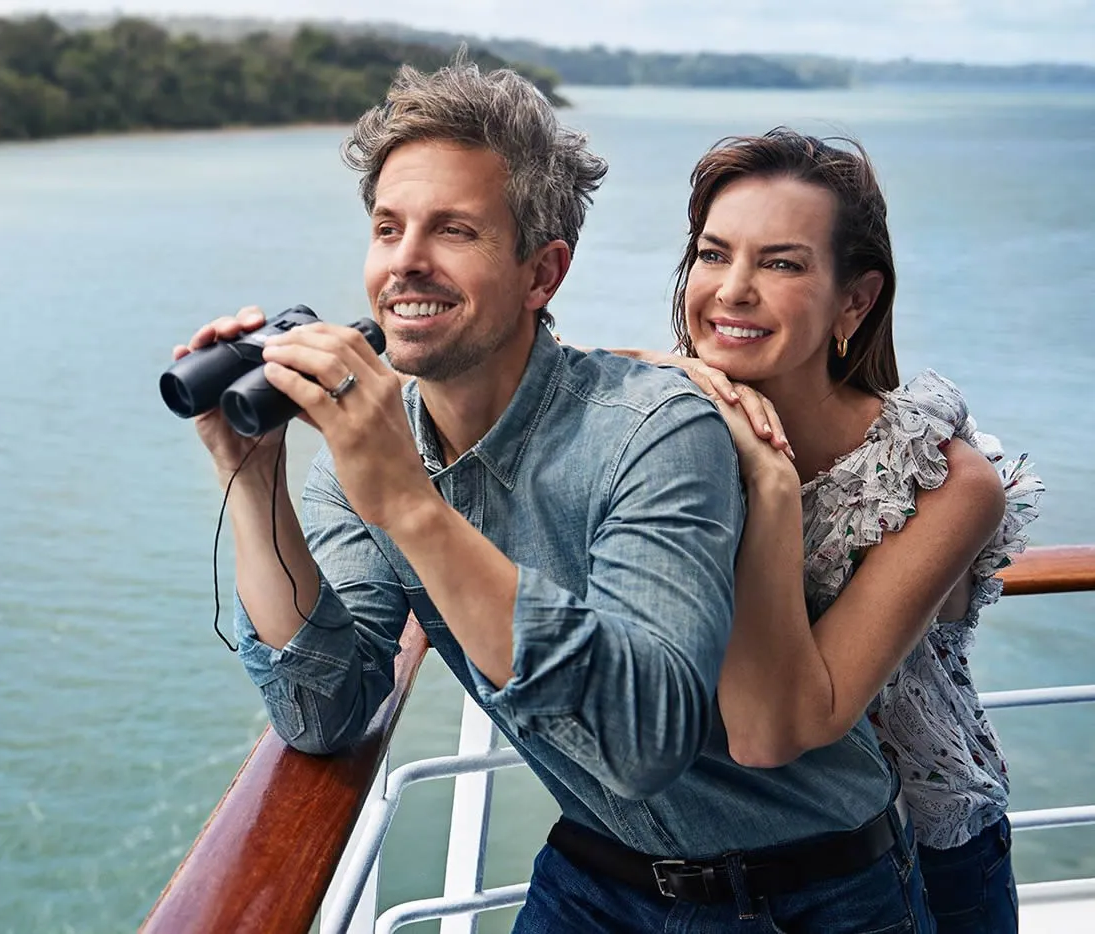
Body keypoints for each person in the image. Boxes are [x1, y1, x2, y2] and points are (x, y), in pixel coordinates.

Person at [171, 57, 936, 932]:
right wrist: (254, 475)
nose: (407, 263)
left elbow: (644, 740)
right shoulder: (364, 458)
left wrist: (415, 509)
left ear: (544, 274)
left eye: (453, 231)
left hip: (818, 891)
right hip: (604, 874)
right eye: (389, 229)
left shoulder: (655, 431)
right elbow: (319, 712)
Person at [609, 127, 1043, 933]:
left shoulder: (940, 482)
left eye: (782, 263)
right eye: (713, 254)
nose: (733, 290)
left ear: (856, 299)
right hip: (723, 854)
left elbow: (785, 724)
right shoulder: (656, 419)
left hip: (922, 855)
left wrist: (767, 483)